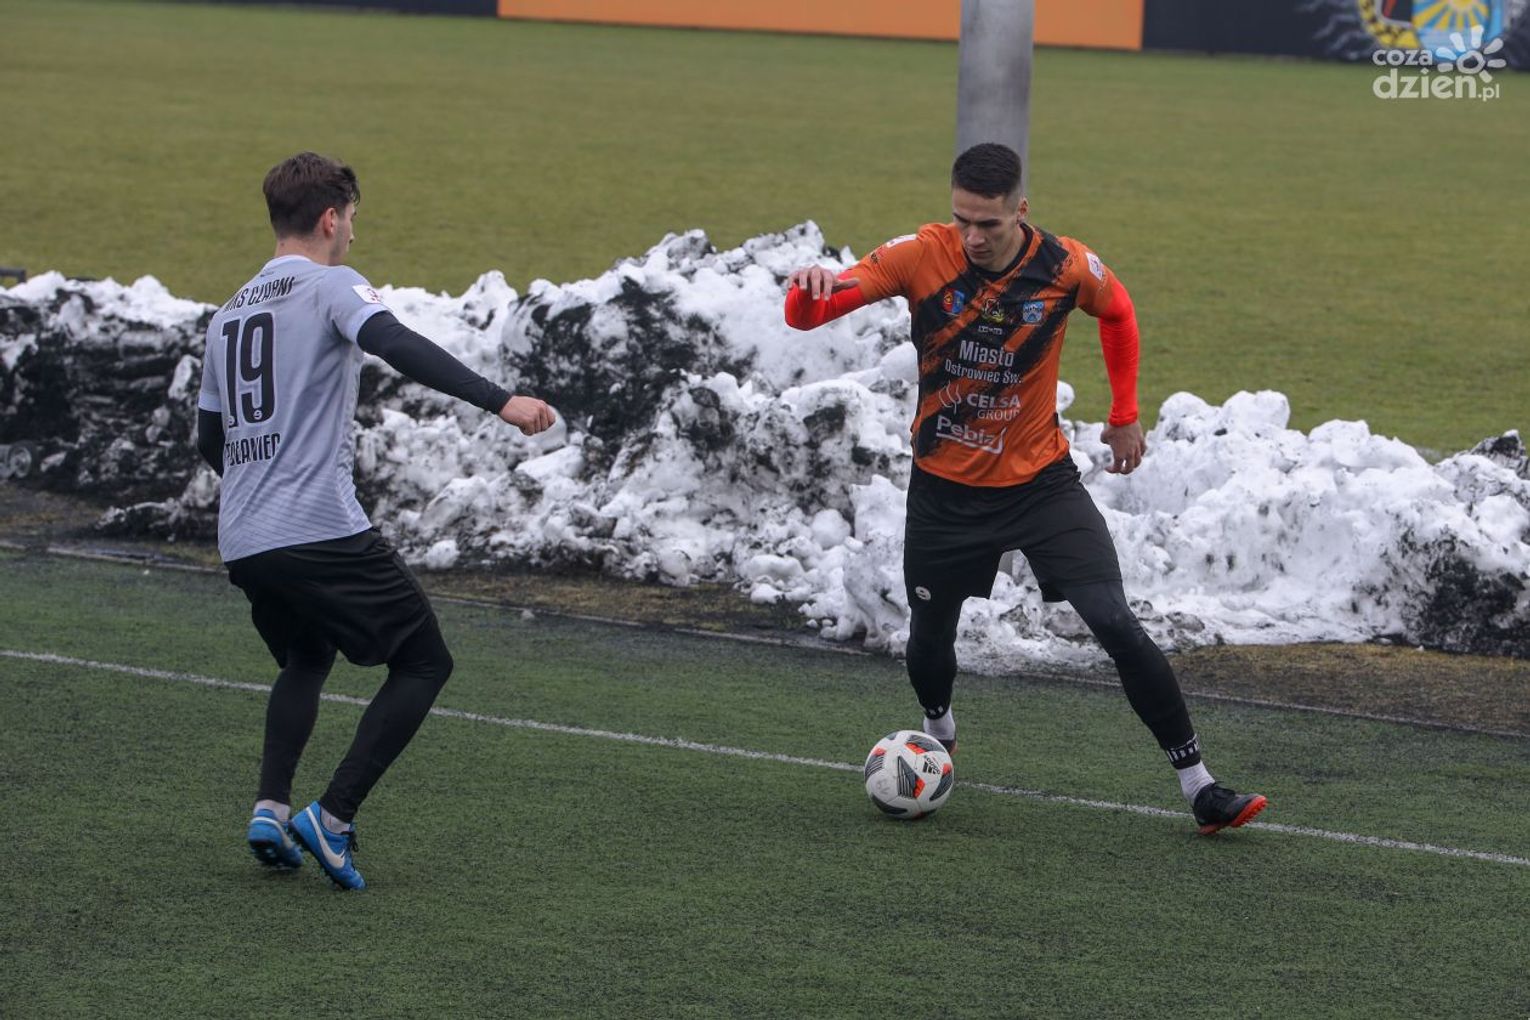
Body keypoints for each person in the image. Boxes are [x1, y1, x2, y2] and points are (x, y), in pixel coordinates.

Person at [783, 143, 1267, 835]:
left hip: (1042, 487)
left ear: (1021, 211)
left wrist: (1125, 414)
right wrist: (809, 288)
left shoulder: (1064, 265)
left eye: (988, 223)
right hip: (945, 494)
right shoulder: (920, 256)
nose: (973, 237)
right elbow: (807, 316)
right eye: (962, 221)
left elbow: (1119, 311)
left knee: (1115, 621)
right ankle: (939, 729)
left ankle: (1201, 787)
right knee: (930, 638)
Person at [196, 152, 556, 889]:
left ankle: (270, 808)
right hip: (316, 525)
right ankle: (332, 819)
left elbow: (210, 439)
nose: (354, 234)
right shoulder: (332, 284)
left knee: (307, 657)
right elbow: (395, 342)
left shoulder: (227, 313)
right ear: (331, 218)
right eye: (353, 219)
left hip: (245, 537)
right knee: (425, 661)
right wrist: (501, 401)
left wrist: (262, 483)